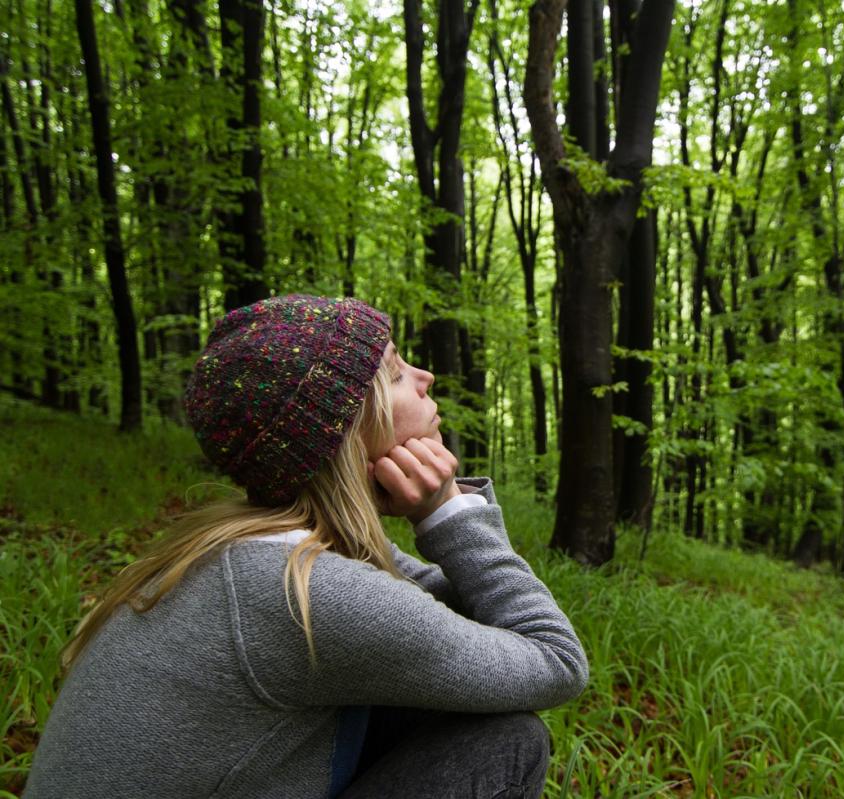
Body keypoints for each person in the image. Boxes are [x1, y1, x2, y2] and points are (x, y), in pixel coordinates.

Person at [24, 294, 589, 799]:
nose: (426, 377)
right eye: (394, 373)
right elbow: (558, 661)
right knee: (505, 744)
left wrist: (450, 515)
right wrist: (445, 515)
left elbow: (456, 611)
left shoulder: (261, 547)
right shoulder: (313, 594)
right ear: (346, 432)